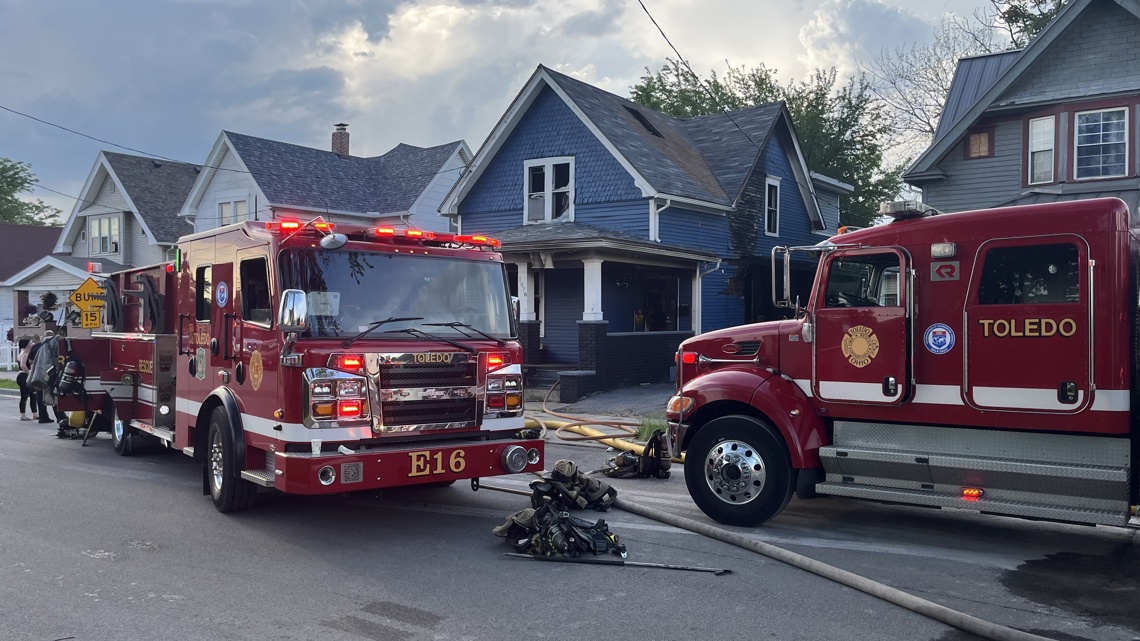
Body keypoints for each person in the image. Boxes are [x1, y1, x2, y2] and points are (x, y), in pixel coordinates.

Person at [16, 338, 38, 421]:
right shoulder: (25, 353)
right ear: (27, 345)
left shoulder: (25, 352)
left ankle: (35, 414)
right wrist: (29, 373)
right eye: (30, 342)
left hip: (23, 376)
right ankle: (23, 415)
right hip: (23, 376)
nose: (32, 343)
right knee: (24, 396)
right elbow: (23, 365)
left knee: (33, 395)